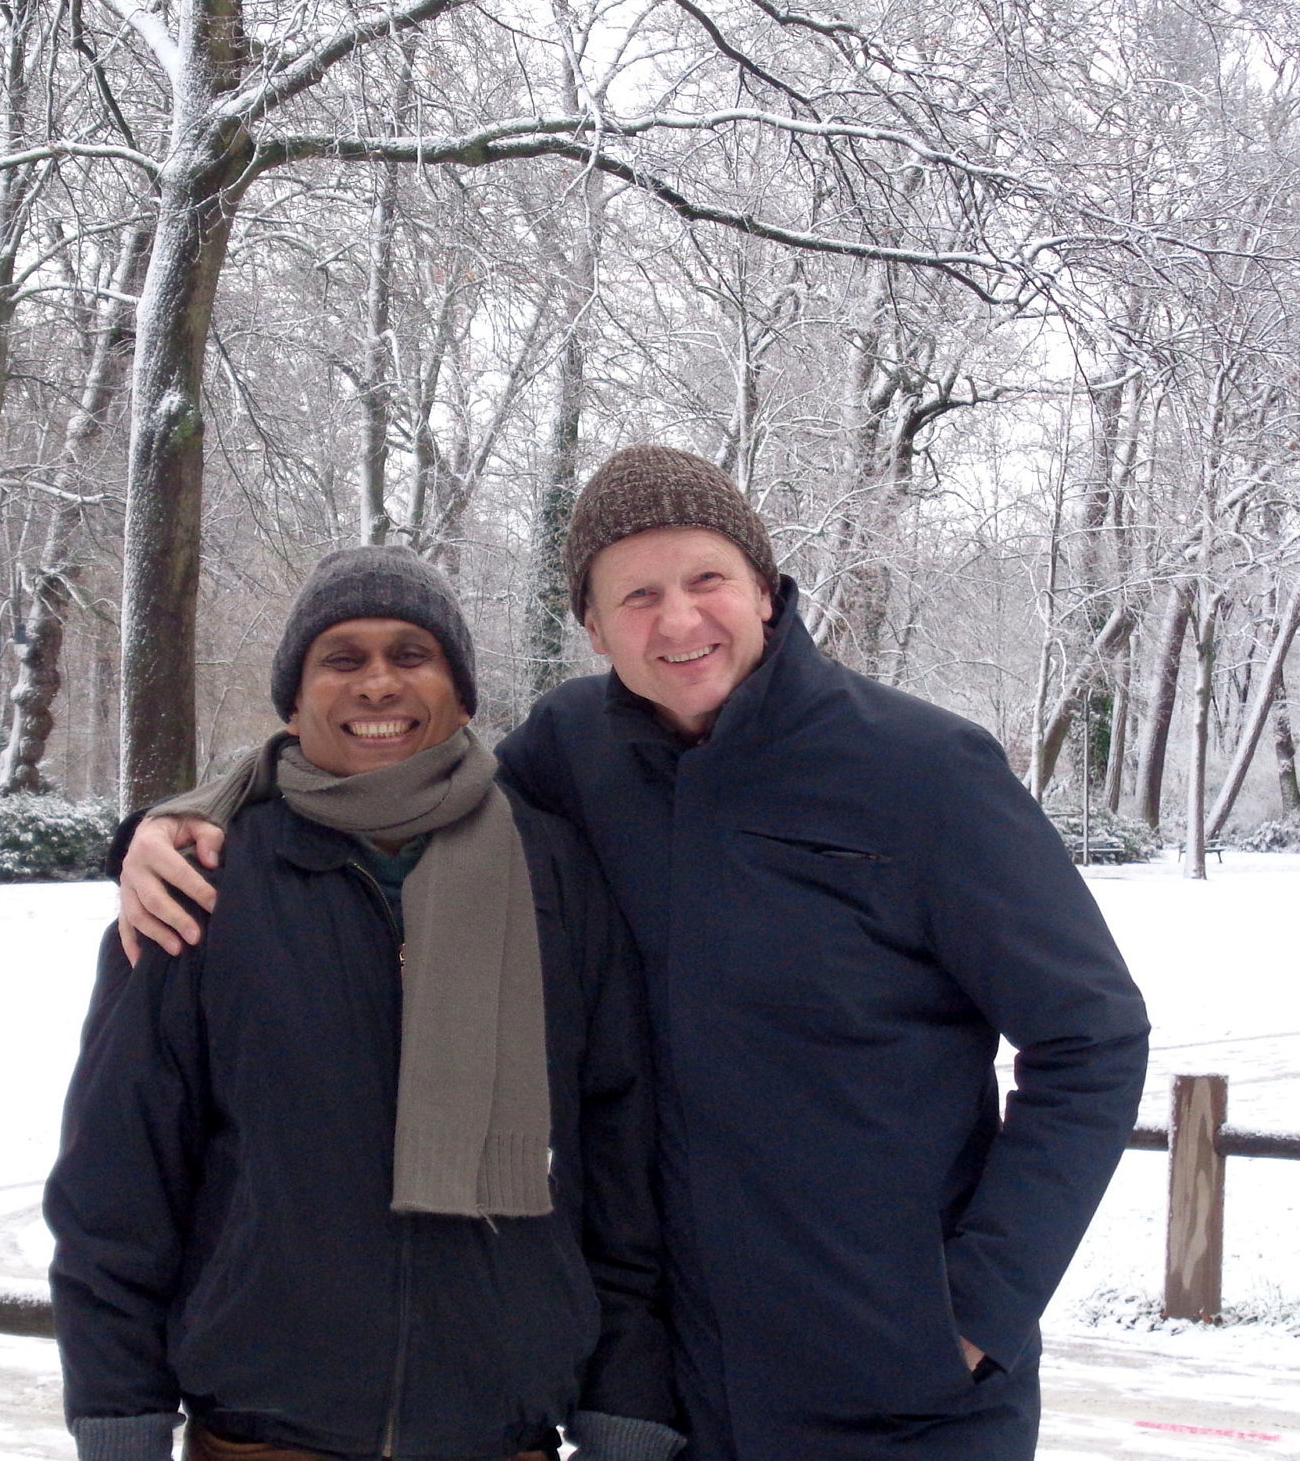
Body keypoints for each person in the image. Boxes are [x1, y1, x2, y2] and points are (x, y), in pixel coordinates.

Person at [117, 446, 1151, 1460]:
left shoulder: (920, 772)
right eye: (636, 595)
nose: (679, 620)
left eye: (707, 579)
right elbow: (398, 784)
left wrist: (973, 1312)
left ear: (762, 586)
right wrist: (190, 814)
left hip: (903, 1397)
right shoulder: (573, 754)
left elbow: (1091, 1040)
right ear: (592, 625)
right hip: (682, 1398)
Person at [45, 546, 681, 1461]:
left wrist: (629, 1404)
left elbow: (623, 1160)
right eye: (341, 659)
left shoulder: (556, 874)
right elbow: (118, 1171)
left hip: (499, 1434)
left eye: (411, 655)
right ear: (294, 700)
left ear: (460, 693)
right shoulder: (206, 882)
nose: (378, 683)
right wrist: (118, 1412)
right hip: (263, 1436)